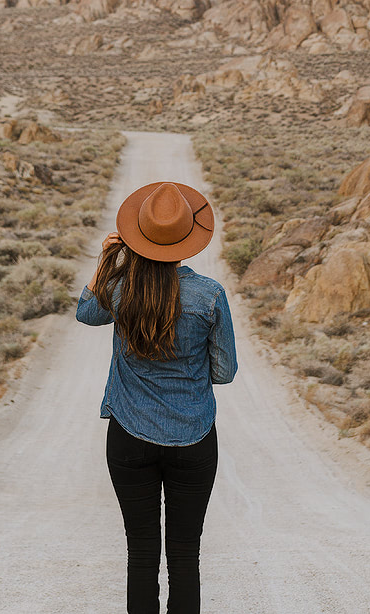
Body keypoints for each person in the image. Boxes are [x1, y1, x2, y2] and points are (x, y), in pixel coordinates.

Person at [77, 179, 238, 614]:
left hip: (129, 437)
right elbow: (224, 373)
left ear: (137, 235)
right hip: (194, 437)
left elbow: (85, 313)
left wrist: (109, 260)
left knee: (141, 553)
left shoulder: (120, 288)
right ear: (187, 239)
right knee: (185, 555)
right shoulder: (209, 295)